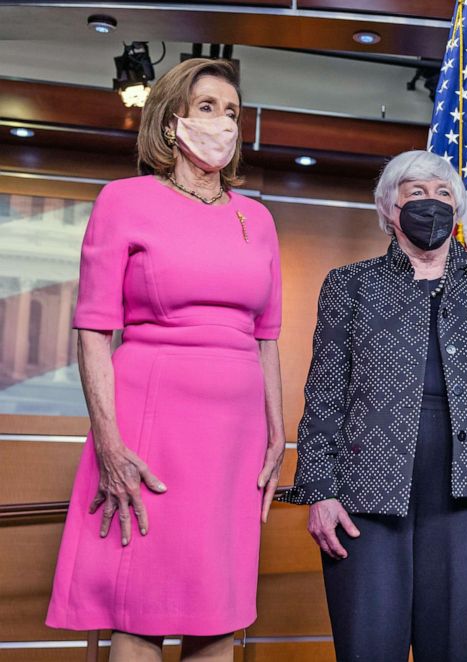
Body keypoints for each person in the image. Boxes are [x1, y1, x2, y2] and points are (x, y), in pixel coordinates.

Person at [46, 58, 285, 662]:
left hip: (235, 436)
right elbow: (94, 330)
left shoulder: (256, 219)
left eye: (232, 112)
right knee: (141, 609)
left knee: (219, 611)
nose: (223, 123)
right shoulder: (124, 200)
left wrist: (278, 433)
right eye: (207, 107)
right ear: (171, 118)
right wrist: (108, 441)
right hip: (150, 421)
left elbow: (267, 335)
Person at [279, 149, 467, 662]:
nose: (432, 204)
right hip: (365, 495)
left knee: (456, 648)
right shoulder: (350, 284)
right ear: (389, 209)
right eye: (417, 193)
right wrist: (319, 491)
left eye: (444, 193)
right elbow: (324, 394)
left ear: (459, 208)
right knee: (368, 646)